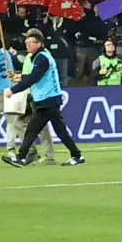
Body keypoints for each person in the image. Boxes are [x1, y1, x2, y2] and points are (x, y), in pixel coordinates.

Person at [10, 29, 85, 166]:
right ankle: (76, 155)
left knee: (36, 129)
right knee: (44, 129)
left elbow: (34, 77)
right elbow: (35, 75)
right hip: (45, 100)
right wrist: (20, 76)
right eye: (26, 42)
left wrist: (13, 90)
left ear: (39, 43)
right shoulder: (38, 57)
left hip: (48, 99)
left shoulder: (42, 57)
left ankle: (20, 157)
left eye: (30, 42)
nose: (27, 45)